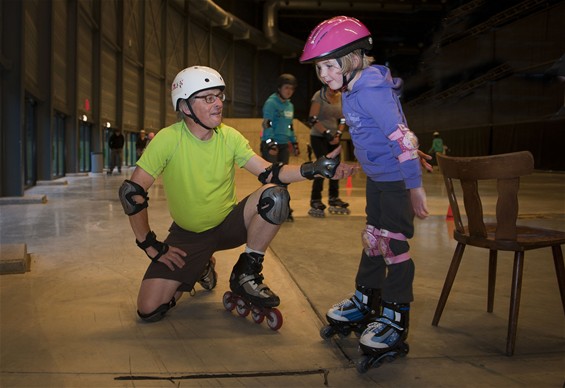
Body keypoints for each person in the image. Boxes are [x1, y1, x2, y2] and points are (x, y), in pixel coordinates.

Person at [118, 65, 355, 323]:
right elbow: (132, 192)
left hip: (230, 224)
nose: (218, 103)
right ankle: (203, 264)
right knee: (149, 309)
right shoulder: (168, 139)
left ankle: (247, 272)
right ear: (185, 106)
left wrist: (314, 169)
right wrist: (150, 245)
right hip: (190, 234)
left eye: (219, 96)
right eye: (208, 98)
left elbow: (270, 173)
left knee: (274, 194)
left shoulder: (229, 137)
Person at [300, 16, 430, 371]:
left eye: (330, 64)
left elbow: (402, 138)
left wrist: (414, 187)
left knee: (393, 245)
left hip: (393, 184)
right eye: (319, 67)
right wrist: (343, 154)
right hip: (378, 178)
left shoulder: (371, 89)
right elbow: (369, 131)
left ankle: (394, 317)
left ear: (355, 57)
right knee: (374, 239)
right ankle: (366, 299)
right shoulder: (354, 89)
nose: (324, 74)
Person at [260, 73, 301, 221]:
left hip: (284, 145)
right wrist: (271, 142)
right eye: (286, 88)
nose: (289, 91)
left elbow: (290, 126)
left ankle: (283, 206)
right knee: (270, 178)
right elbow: (267, 123)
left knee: (283, 178)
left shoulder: (290, 105)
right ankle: (267, 206)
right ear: (279, 88)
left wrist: (294, 142)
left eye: (291, 89)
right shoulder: (271, 102)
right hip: (272, 144)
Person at [307, 85, 350, 217]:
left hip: (334, 136)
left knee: (335, 166)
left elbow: (343, 119)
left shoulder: (339, 98)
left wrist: (338, 134)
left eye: (336, 88)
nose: (334, 90)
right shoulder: (318, 96)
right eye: (332, 88)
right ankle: (316, 199)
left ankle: (333, 197)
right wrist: (327, 134)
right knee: (323, 166)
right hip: (319, 136)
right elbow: (312, 118)